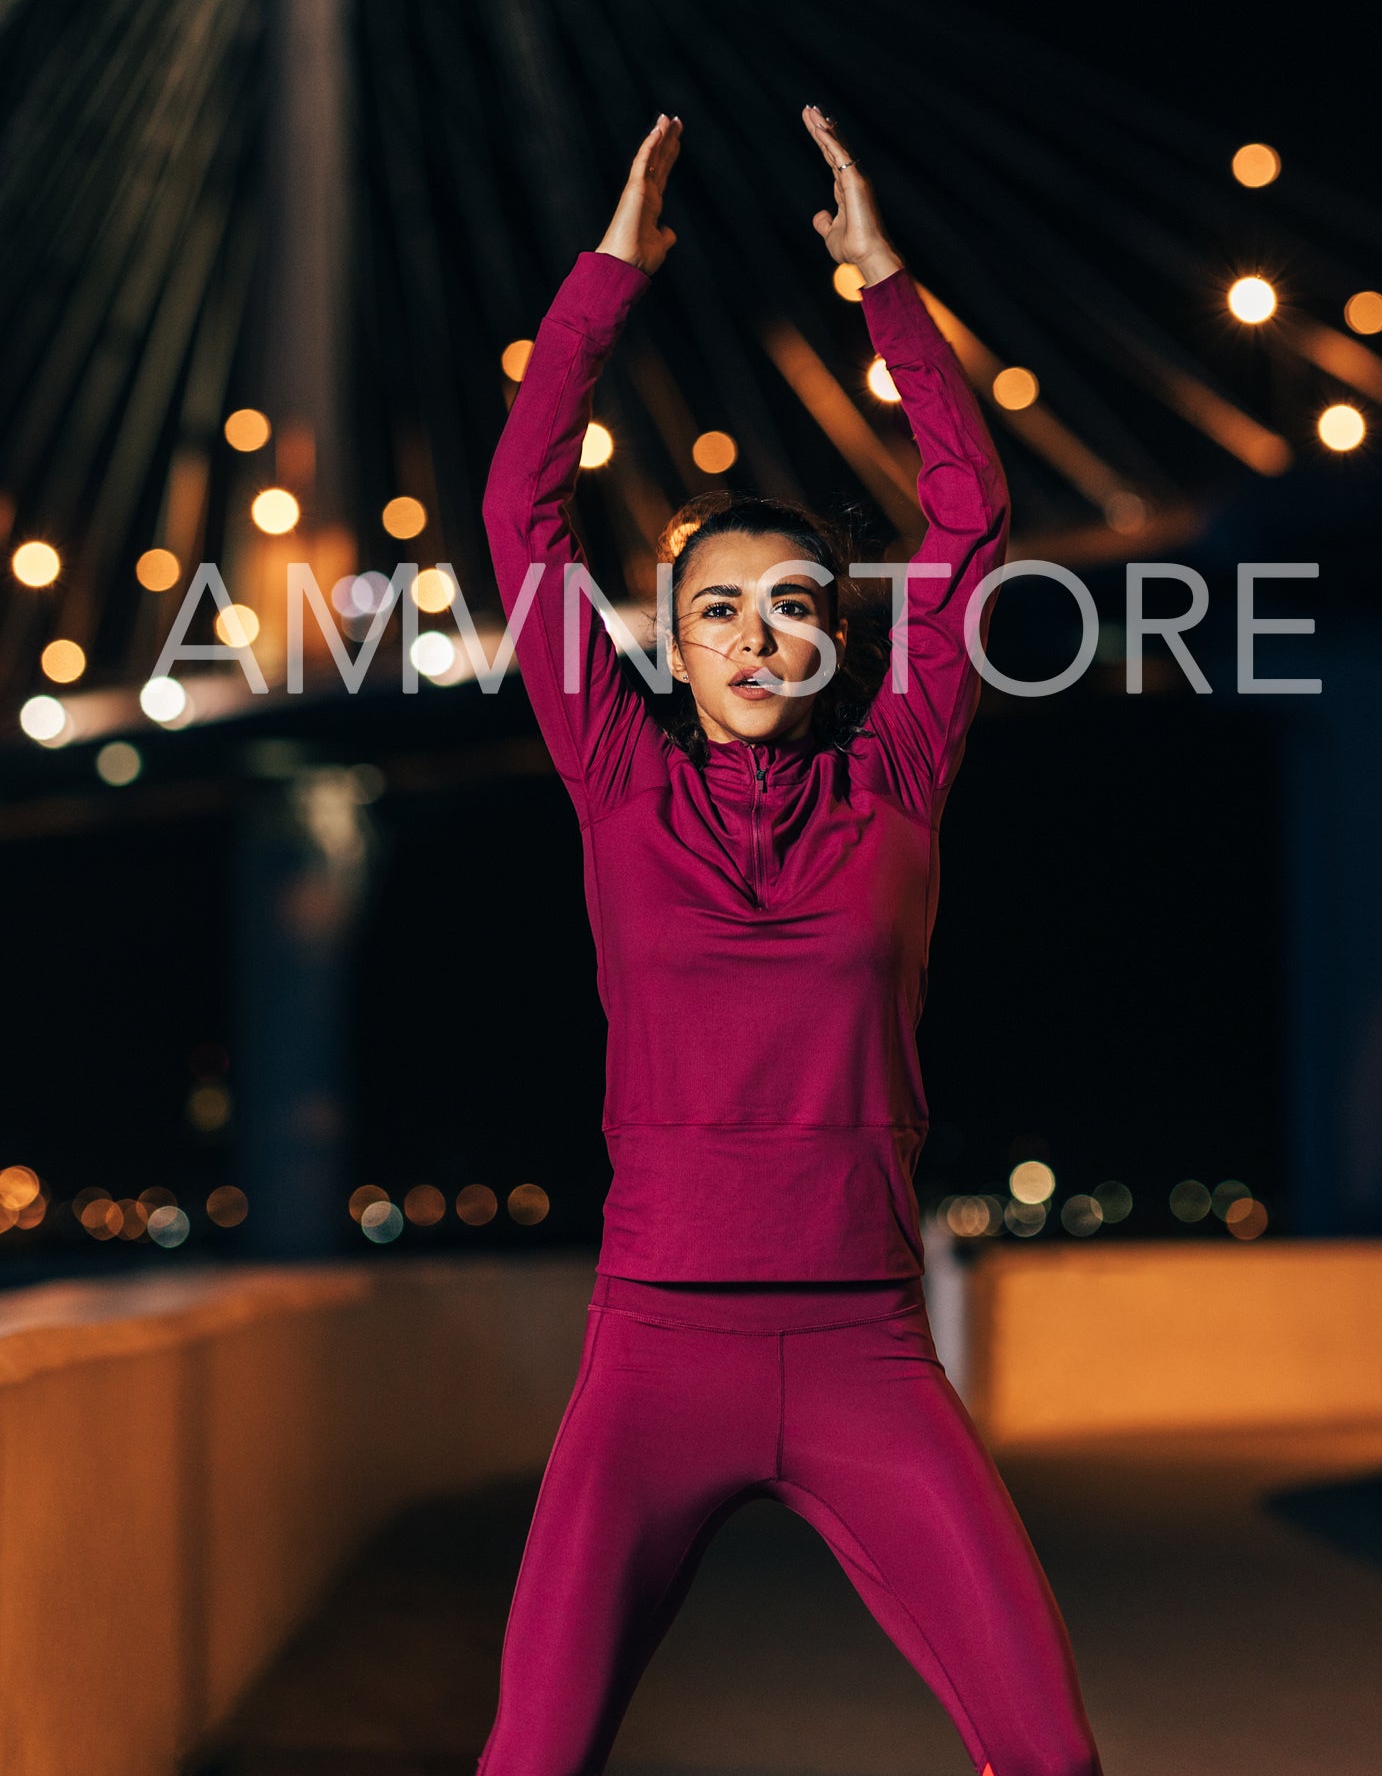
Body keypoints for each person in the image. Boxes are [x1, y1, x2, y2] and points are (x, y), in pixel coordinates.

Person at [476, 108, 1102, 1776]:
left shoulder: (895, 778)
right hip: (653, 1347)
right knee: (527, 1763)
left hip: (862, 1346)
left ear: (834, 640)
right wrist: (611, 280)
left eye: (795, 606)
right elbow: (520, 517)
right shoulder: (616, 780)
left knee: (1051, 1758)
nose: (759, 637)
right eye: (718, 611)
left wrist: (883, 284)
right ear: (666, 649)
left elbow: (968, 516)